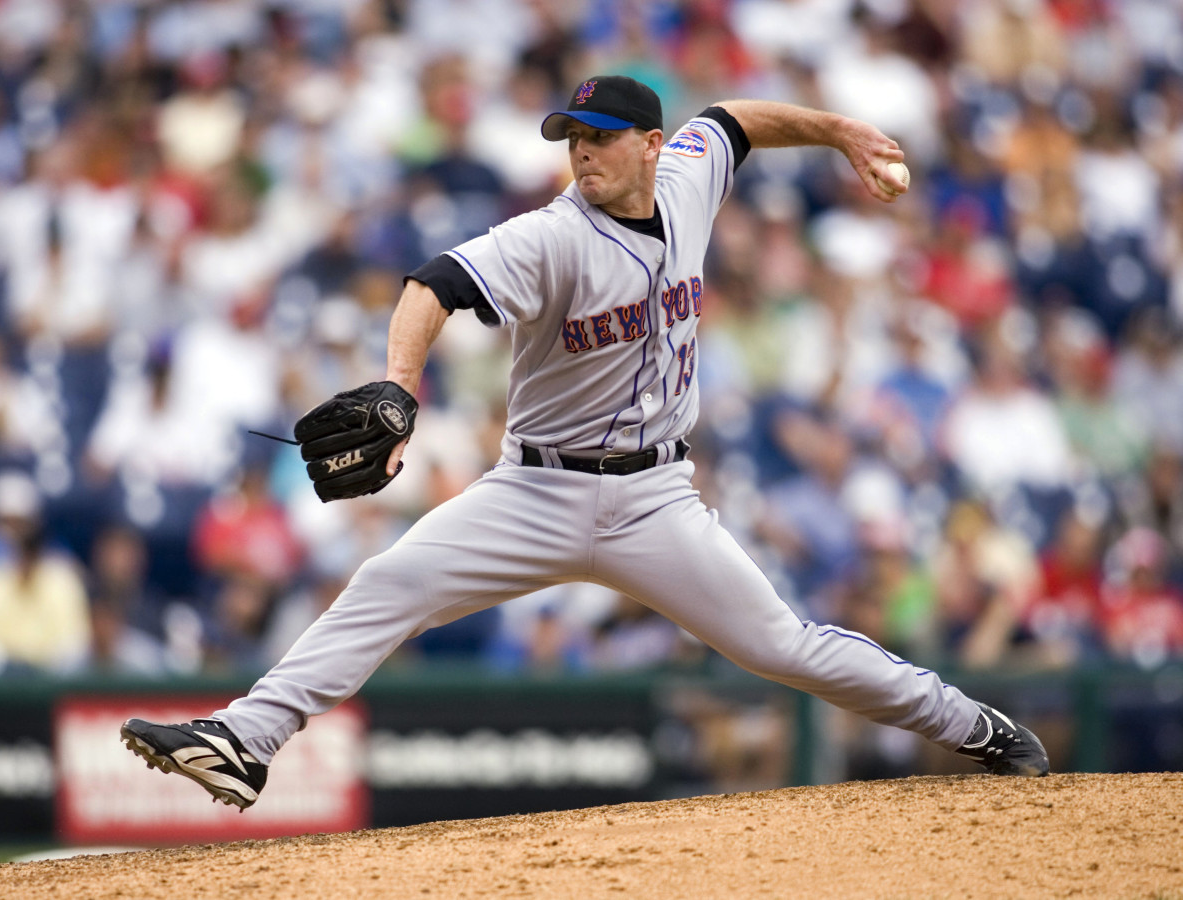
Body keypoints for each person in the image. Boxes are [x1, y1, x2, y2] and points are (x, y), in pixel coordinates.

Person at [120, 75, 1048, 811]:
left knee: (784, 646)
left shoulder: (687, 174)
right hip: (535, 493)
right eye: (572, 138)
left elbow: (735, 118)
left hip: (656, 501)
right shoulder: (550, 237)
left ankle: (974, 726)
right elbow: (433, 284)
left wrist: (841, 128)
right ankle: (247, 743)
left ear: (651, 146)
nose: (583, 154)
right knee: (387, 583)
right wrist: (402, 381)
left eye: (599, 138)